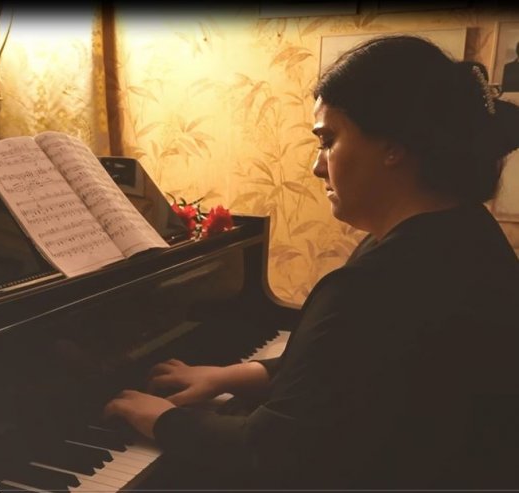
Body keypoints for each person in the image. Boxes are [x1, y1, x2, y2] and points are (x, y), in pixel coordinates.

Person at [104, 35, 519, 489]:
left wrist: (161, 419)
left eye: (328, 140)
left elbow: (270, 451)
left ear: (393, 146)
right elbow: (341, 371)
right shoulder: (460, 232)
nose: (318, 167)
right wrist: (232, 375)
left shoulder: (377, 284)